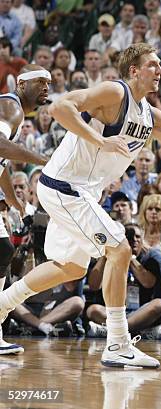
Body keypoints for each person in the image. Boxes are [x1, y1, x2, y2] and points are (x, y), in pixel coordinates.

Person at [0, 43, 161, 368]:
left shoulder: (151, 116)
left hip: (78, 193)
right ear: (134, 71)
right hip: (64, 186)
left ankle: (3, 303)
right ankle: (117, 343)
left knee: (70, 267)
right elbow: (60, 108)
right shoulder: (115, 92)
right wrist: (99, 140)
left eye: (160, 65)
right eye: (153, 65)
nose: (160, 71)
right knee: (119, 250)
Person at [0, 64, 50, 354]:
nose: (46, 86)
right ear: (21, 84)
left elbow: (2, 164)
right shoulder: (11, 107)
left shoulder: (14, 113)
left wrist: (15, 202)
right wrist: (43, 160)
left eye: (49, 83)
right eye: (39, 82)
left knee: (3, 250)